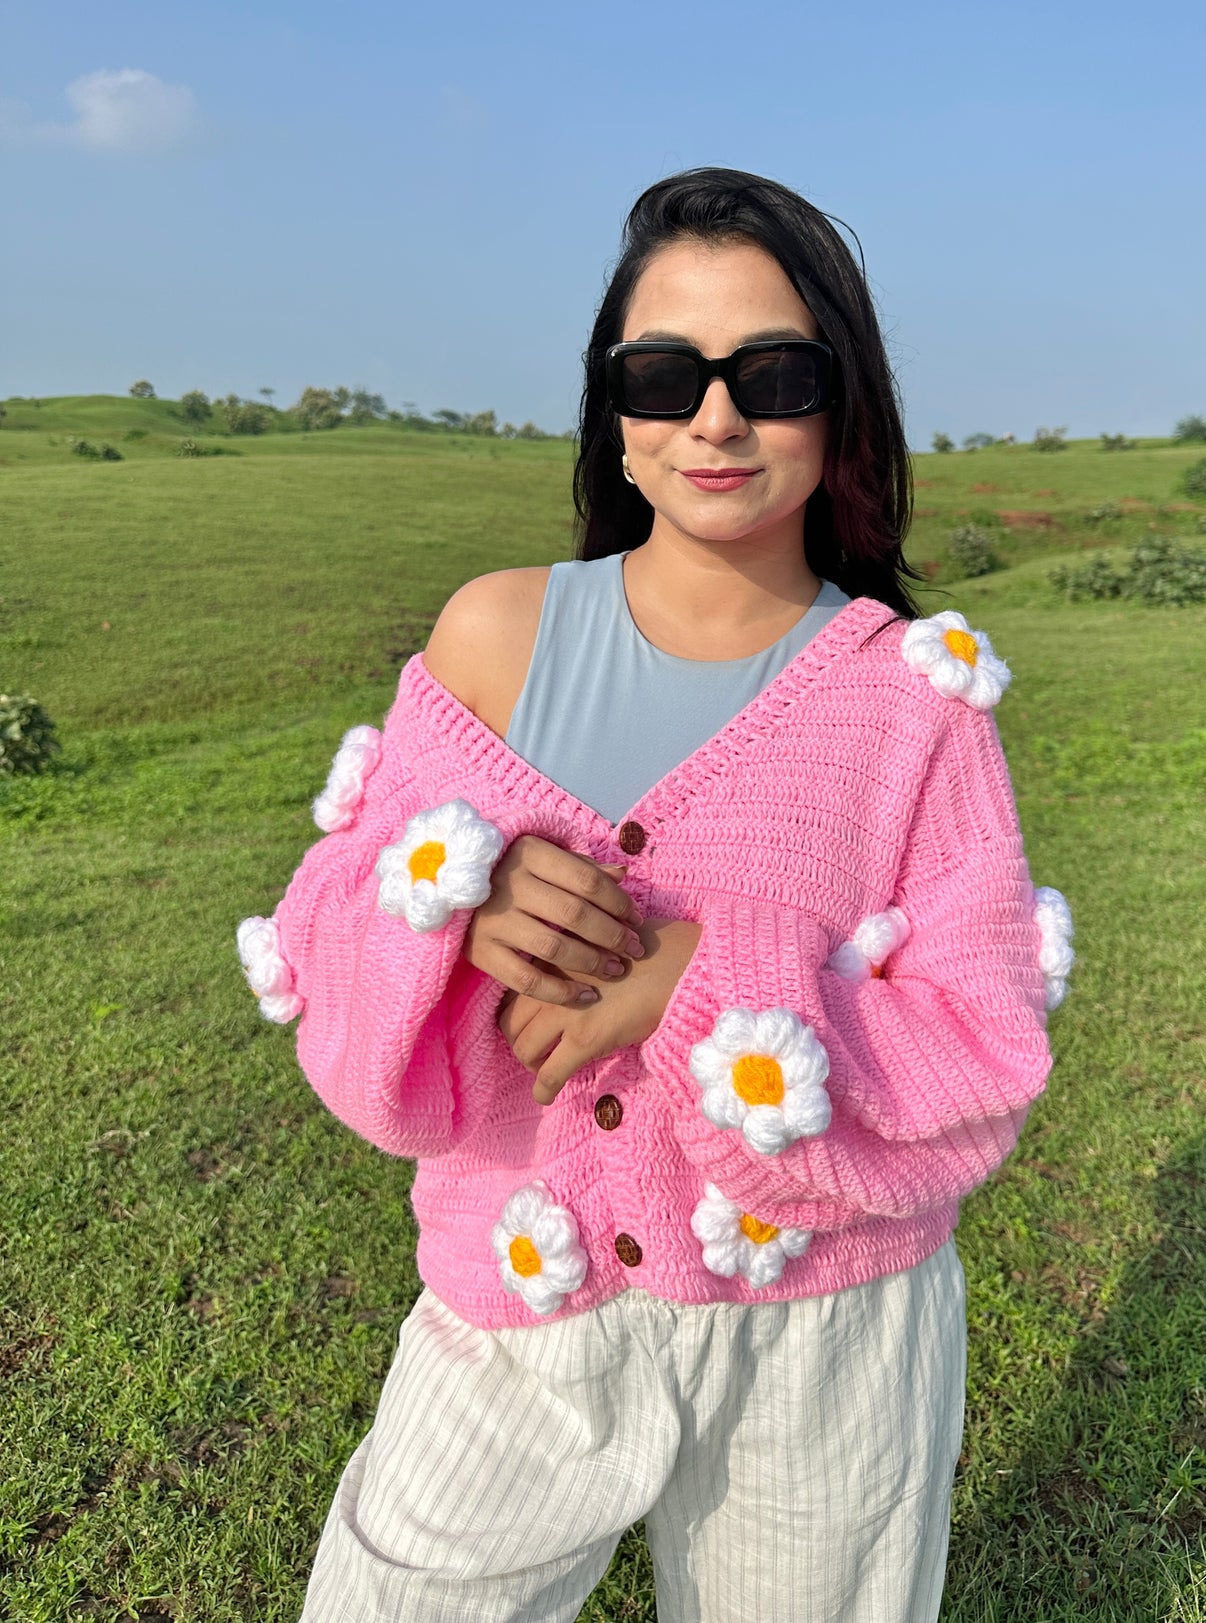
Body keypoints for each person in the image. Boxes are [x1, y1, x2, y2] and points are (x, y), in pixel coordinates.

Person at [238, 168, 1067, 1623]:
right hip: (518, 1292)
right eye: (662, 373)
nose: (715, 417)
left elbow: (980, 1034)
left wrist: (693, 979)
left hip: (830, 1330)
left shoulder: (912, 700)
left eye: (775, 372)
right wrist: (453, 914)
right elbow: (327, 911)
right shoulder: (495, 634)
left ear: (842, 404)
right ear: (613, 412)